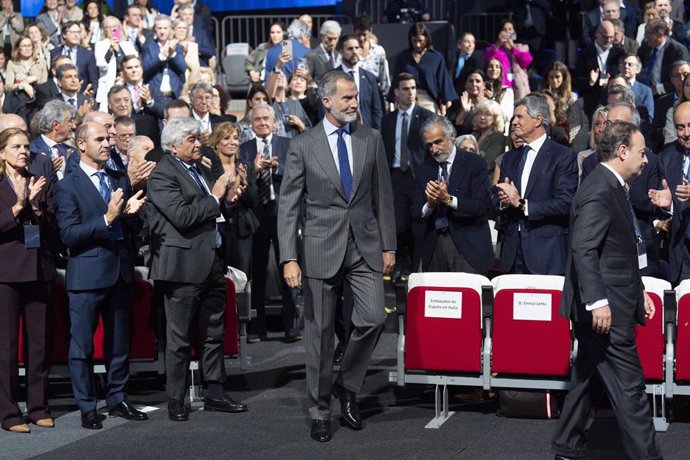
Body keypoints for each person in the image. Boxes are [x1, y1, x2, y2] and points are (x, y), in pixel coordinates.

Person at [278, 70, 396, 442]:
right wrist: (288, 258)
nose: (353, 103)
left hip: (364, 244)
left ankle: (348, 383)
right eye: (346, 98)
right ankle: (319, 411)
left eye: (355, 97)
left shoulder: (370, 137)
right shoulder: (302, 145)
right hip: (318, 247)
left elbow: (383, 196)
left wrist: (389, 245)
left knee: (374, 319)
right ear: (326, 101)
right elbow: (288, 207)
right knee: (320, 336)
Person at [552, 121, 661, 460]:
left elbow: (616, 249)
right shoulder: (600, 187)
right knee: (631, 388)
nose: (646, 160)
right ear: (622, 151)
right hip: (605, 310)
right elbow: (584, 248)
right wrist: (598, 302)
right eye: (641, 153)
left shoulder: (612, 185)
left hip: (613, 299)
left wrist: (638, 288)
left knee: (587, 378)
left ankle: (567, 447)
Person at [146, 117, 247, 422]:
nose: (197, 143)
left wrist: (226, 200)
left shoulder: (200, 167)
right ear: (173, 146)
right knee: (178, 338)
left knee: (214, 331)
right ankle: (176, 398)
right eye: (190, 139)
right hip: (182, 267)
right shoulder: (162, 175)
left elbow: (213, 210)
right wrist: (216, 196)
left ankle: (214, 391)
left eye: (197, 137)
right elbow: (182, 216)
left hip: (213, 261)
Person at [55, 122, 147, 430]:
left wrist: (131, 216)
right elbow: (68, 235)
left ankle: (117, 397)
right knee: (81, 345)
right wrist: (107, 218)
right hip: (86, 276)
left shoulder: (118, 177)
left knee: (118, 343)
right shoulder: (68, 185)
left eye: (108, 138)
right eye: (100, 139)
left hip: (120, 272)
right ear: (81, 144)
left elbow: (134, 228)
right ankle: (86, 406)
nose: (107, 143)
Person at [0, 128, 55, 434]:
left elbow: (54, 226)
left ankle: (38, 407)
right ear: (2, 152)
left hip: (39, 270)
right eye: (16, 146)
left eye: (25, 146)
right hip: (6, 274)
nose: (23, 151)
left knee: (39, 345)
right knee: (6, 348)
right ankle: (9, 413)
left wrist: (34, 207)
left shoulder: (39, 180)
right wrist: (17, 207)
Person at [494, 94, 578, 275]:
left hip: (546, 254)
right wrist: (503, 200)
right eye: (514, 117)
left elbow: (565, 203)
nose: (514, 122)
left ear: (538, 120)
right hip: (512, 254)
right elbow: (496, 200)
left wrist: (521, 203)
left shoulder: (562, 156)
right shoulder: (509, 158)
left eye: (520, 117)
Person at [239, 103, 299, 343]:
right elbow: (241, 180)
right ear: (251, 124)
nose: (263, 123)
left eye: (266, 119)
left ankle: (290, 325)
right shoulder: (244, 149)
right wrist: (254, 169)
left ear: (275, 122)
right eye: (258, 120)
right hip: (256, 213)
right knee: (258, 270)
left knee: (288, 265)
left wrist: (278, 167)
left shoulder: (288, 145)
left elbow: (298, 175)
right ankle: (257, 326)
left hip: (283, 212)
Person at [581, 102, 662, 277]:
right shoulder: (592, 162)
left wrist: (663, 203)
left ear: (633, 128)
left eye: (615, 124)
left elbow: (652, 203)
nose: (607, 129)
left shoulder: (650, 160)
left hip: (643, 248)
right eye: (606, 123)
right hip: (608, 252)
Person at [414, 115, 494, 274]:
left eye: (438, 142)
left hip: (468, 247)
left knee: (468, 298)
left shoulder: (474, 163)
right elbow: (414, 212)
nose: (434, 150)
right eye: (429, 145)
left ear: (452, 136)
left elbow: (482, 206)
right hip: (435, 247)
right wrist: (429, 204)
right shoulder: (424, 169)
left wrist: (448, 199)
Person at [381, 72, 435, 277]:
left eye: (413, 88)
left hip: (418, 176)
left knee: (417, 224)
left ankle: (414, 266)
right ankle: (400, 262)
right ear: (396, 92)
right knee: (398, 223)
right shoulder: (387, 120)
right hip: (395, 176)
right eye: (405, 88)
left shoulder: (426, 116)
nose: (410, 92)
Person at [208, 122, 256, 276]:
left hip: (242, 229)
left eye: (235, 138)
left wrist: (244, 185)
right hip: (218, 229)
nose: (232, 142)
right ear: (216, 143)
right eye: (226, 138)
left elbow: (253, 201)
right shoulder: (209, 168)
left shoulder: (245, 166)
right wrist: (228, 200)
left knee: (242, 276)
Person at [653, 101, 690, 284]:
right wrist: (668, 207)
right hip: (680, 253)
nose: (686, 133)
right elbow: (663, 210)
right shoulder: (666, 158)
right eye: (680, 127)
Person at [393, 23, 457, 115]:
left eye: (421, 41)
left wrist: (447, 106)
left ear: (427, 39)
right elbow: (396, 80)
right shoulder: (403, 57)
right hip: (405, 98)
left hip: (427, 99)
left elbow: (444, 82)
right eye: (414, 41)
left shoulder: (436, 57)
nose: (418, 45)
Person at [140, 15, 187, 112]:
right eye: (159, 28)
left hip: (173, 96)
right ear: (155, 29)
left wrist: (172, 54)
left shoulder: (177, 46)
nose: (162, 31)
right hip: (155, 96)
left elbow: (182, 68)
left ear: (170, 29)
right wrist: (161, 55)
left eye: (165, 28)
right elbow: (145, 69)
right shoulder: (148, 46)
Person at [335, 35, 382, 130]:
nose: (354, 52)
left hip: (366, 133)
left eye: (357, 48)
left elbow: (376, 110)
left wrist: (377, 134)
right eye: (350, 49)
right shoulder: (333, 77)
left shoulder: (369, 77)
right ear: (341, 52)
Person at [93, 16, 137, 112]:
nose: (113, 29)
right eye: (109, 27)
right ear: (104, 30)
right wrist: (110, 49)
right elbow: (102, 66)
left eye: (115, 26)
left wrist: (119, 51)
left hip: (127, 84)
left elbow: (133, 63)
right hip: (108, 86)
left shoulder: (127, 44)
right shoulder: (100, 45)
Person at [638, 18, 690, 96]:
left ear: (660, 34)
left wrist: (657, 89)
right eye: (645, 32)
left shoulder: (678, 51)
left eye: (649, 33)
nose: (645, 36)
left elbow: (682, 79)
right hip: (646, 92)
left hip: (669, 95)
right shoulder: (646, 46)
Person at [30, 100, 75, 183]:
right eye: (69, 121)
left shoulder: (72, 151)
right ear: (56, 125)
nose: (73, 126)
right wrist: (48, 170)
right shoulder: (32, 151)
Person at [484, 19, 533, 92]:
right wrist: (498, 44)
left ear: (514, 32)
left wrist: (513, 47)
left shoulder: (522, 47)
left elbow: (525, 63)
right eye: (505, 29)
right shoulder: (495, 48)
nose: (507, 32)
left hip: (520, 86)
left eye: (510, 29)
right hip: (503, 84)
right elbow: (487, 59)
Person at [50, 21, 99, 95]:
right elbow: (50, 77)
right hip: (57, 95)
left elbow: (94, 80)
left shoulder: (88, 55)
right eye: (73, 32)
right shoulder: (54, 53)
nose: (76, 35)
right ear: (64, 35)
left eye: (78, 32)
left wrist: (91, 92)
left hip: (80, 95)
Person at [353, 15, 391, 97]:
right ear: (354, 31)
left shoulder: (378, 51)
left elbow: (384, 77)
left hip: (375, 94)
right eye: (358, 34)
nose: (361, 38)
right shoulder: (349, 52)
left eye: (364, 34)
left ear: (370, 31)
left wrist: (386, 99)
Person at [6, 36, 48, 101]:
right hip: (19, 99)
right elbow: (8, 86)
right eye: (24, 46)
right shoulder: (12, 63)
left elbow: (45, 83)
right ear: (18, 48)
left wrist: (35, 78)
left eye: (29, 45)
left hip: (39, 97)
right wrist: (22, 85)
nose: (27, 48)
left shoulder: (41, 62)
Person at [472, 99, 507, 175]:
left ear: (495, 118)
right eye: (480, 113)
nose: (482, 117)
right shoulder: (473, 136)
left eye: (487, 114)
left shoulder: (498, 138)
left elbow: (488, 164)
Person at [448, 69, 488, 135]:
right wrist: (463, 112)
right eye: (471, 81)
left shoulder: (489, 105)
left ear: (484, 85)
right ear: (465, 85)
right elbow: (452, 127)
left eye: (478, 81)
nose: (474, 84)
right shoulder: (456, 104)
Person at [244, 21, 284, 86]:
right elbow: (248, 61)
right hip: (262, 84)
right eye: (272, 32)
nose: (275, 35)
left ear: (283, 33)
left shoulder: (287, 48)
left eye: (278, 32)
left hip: (282, 84)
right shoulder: (263, 47)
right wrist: (252, 72)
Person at [305, 20, 341, 86]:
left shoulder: (338, 55)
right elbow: (306, 80)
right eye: (330, 39)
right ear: (322, 37)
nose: (333, 42)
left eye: (335, 39)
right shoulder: (311, 56)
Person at [484, 57, 513, 134]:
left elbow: (507, 116)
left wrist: (492, 99)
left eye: (497, 66)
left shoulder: (507, 91)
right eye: (490, 66)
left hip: (499, 132)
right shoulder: (480, 89)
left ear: (501, 71)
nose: (494, 69)